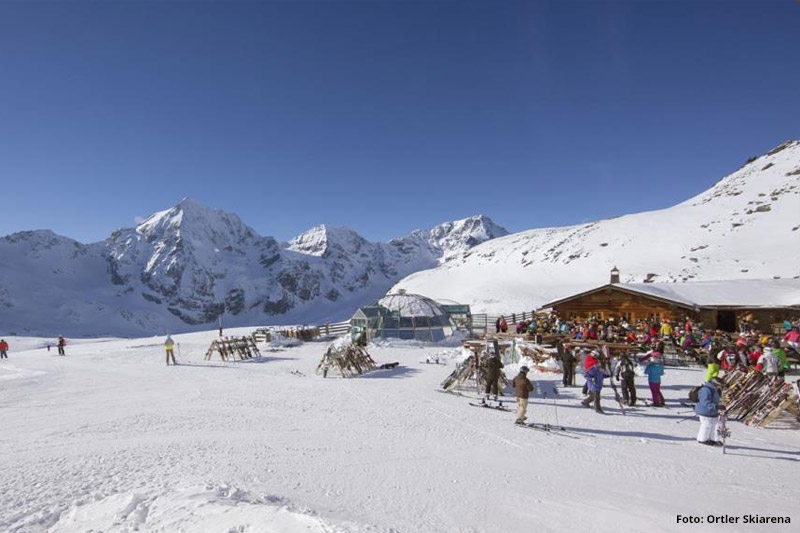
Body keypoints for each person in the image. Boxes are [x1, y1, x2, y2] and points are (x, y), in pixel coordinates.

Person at [695, 378, 723, 446]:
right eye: (718, 385)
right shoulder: (706, 390)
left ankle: (713, 439)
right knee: (706, 425)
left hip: (712, 412)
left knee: (715, 425)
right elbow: (705, 402)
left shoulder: (714, 389)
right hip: (705, 411)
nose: (719, 387)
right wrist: (716, 406)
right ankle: (702, 439)